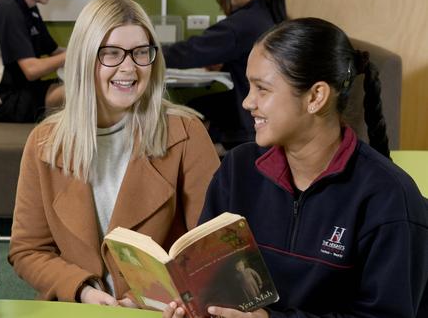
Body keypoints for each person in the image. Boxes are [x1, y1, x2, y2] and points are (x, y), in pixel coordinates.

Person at [164, 18, 428, 318]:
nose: (248, 102)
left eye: (262, 89)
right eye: (249, 87)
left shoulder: (389, 198)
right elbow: (208, 281)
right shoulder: (237, 170)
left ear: (316, 97)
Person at [8, 0, 221, 305]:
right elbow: (28, 250)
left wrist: (151, 297)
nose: (129, 68)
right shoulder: (44, 142)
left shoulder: (187, 133)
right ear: (84, 58)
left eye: (140, 53)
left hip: (161, 310)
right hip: (78, 307)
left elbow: (213, 250)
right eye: (111, 54)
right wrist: (82, 290)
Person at [163, 0, 287, 151]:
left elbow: (190, 52)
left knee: (191, 110)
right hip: (267, 108)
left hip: (250, 115)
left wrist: (147, 54)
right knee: (201, 105)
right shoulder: (265, 13)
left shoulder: (242, 24)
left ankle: (201, 157)